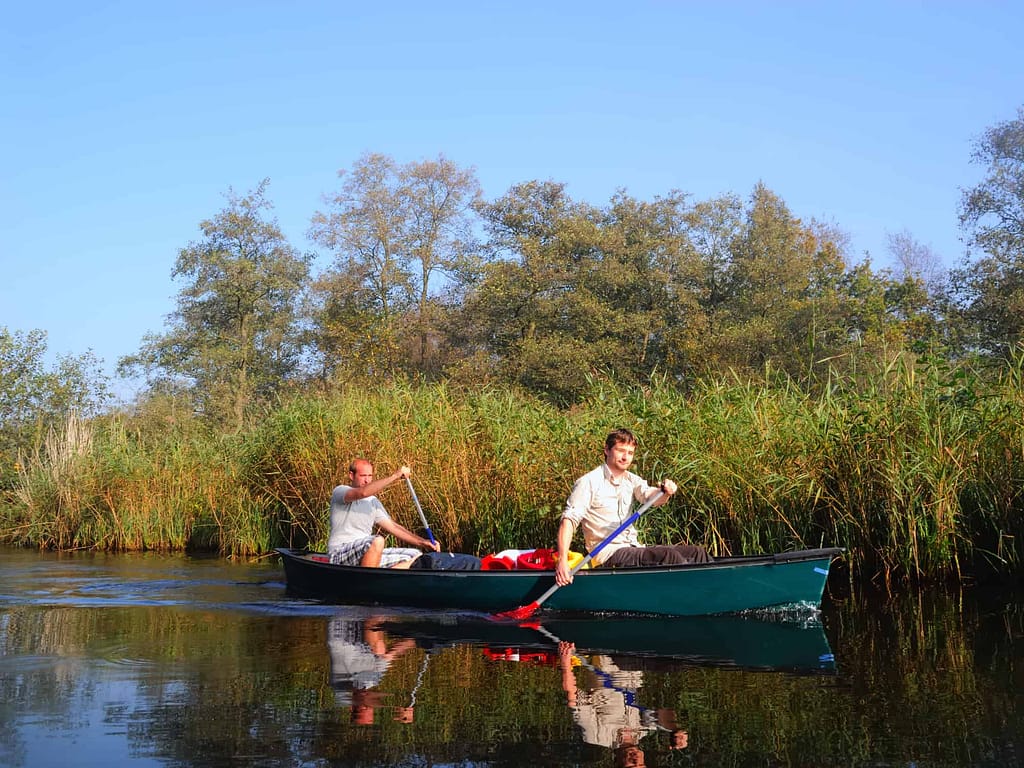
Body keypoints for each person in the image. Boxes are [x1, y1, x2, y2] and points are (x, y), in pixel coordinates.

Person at [555, 428, 710, 586]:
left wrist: (665, 492)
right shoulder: (588, 482)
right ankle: (693, 593)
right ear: (607, 450)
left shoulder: (631, 480)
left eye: (630, 453)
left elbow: (652, 497)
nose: (625, 457)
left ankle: (712, 590)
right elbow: (568, 521)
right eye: (621, 451)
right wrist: (562, 561)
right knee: (667, 556)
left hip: (633, 547)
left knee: (697, 553)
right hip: (607, 554)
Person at [328, 459, 440, 568]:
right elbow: (363, 492)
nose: (367, 480)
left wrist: (423, 542)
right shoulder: (340, 491)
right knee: (377, 541)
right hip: (339, 553)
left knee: (415, 555)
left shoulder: (373, 502)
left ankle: (380, 583)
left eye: (370, 476)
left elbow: (393, 527)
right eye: (363, 476)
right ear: (351, 476)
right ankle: (366, 583)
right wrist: (394, 476)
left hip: (365, 554)